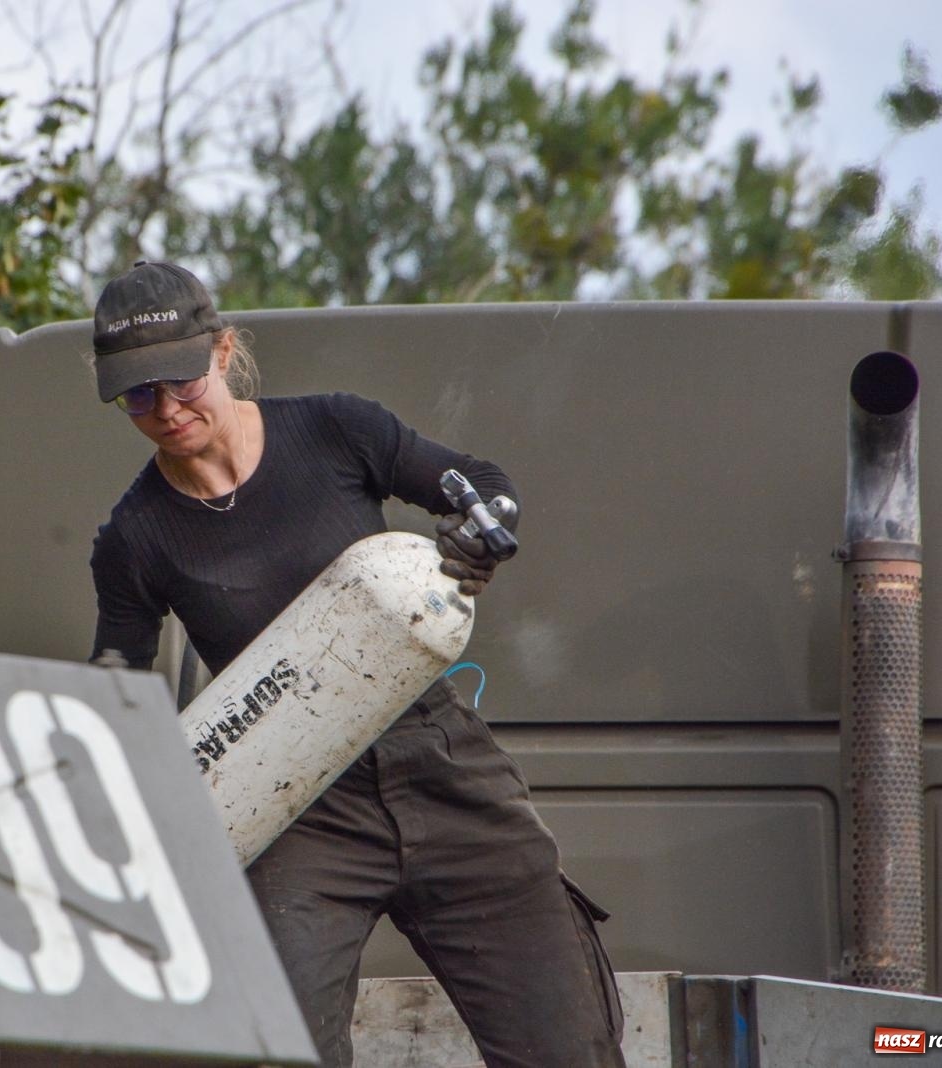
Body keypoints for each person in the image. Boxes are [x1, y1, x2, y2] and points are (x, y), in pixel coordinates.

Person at [87, 260, 624, 1068]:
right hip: (297, 806)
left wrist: (480, 533)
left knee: (567, 1045)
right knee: (281, 1050)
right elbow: (115, 697)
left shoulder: (336, 429)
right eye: (137, 395)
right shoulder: (133, 538)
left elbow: (479, 485)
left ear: (223, 352)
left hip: (442, 767)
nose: (165, 411)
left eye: (181, 382)